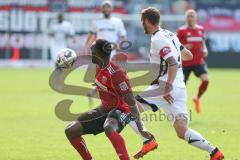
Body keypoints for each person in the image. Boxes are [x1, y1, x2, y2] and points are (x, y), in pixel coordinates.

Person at [132, 7, 224, 160]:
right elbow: (187, 55)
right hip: (180, 88)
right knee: (182, 130)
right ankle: (214, 152)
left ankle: (147, 140)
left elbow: (173, 64)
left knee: (129, 108)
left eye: (142, 21)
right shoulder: (170, 34)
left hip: (164, 87)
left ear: (147, 21)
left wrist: (167, 87)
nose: (142, 24)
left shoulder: (158, 39)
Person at [65, 39, 152, 160]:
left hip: (122, 110)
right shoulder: (98, 67)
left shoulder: (116, 73)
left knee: (109, 127)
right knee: (71, 130)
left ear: (99, 54)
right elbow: (105, 84)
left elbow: (131, 102)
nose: (91, 54)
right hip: (104, 109)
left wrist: (141, 129)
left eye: (92, 51)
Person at [177, 9, 209, 113]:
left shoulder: (201, 30)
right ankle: (179, 108)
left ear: (196, 18)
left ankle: (197, 98)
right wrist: (185, 46)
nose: (190, 18)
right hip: (185, 63)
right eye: (188, 16)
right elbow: (175, 45)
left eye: (192, 16)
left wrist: (205, 49)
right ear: (186, 18)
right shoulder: (181, 30)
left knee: (206, 80)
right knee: (181, 87)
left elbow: (203, 42)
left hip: (198, 61)